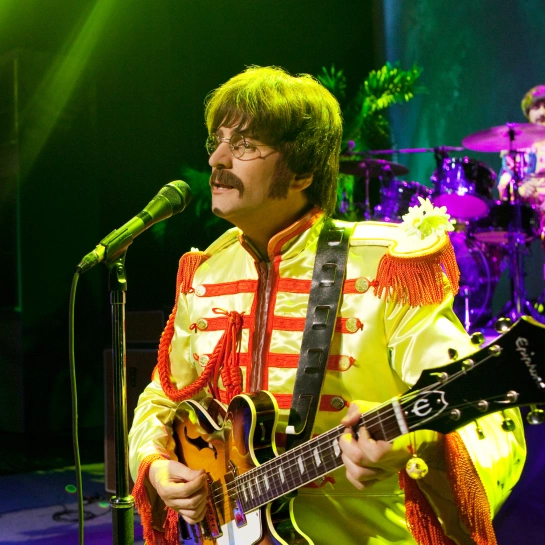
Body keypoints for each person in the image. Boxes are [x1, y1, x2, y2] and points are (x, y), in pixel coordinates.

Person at [128, 66, 525, 545]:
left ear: (302, 172)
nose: (216, 159)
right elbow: (163, 398)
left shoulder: (387, 265)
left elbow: (489, 422)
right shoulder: (206, 272)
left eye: (245, 145)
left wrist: (418, 442)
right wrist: (157, 465)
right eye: (217, 141)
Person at [497, 85, 545, 227]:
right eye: (536, 107)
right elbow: (504, 184)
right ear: (528, 113)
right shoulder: (517, 147)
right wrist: (520, 191)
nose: (542, 112)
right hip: (530, 217)